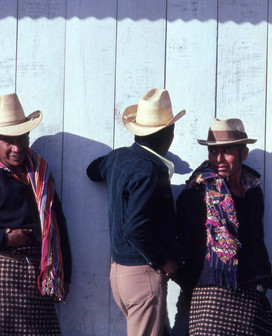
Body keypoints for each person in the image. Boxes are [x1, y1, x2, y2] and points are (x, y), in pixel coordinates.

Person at [86, 88, 186, 336]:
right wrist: (165, 261)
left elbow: (92, 171)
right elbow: (135, 228)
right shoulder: (150, 170)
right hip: (142, 274)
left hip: (119, 273)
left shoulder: (119, 158)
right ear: (170, 133)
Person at [176, 118, 272, 336]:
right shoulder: (198, 191)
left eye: (227, 151)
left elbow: (256, 238)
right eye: (213, 152)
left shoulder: (252, 190)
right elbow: (185, 242)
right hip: (211, 293)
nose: (218, 159)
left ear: (244, 154)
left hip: (250, 292)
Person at [0, 93, 72, 335]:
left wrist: (66, 274)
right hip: (6, 277)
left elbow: (57, 222)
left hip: (39, 275)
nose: (17, 148)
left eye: (22, 139)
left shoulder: (39, 171)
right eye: (8, 141)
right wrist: (5, 239)